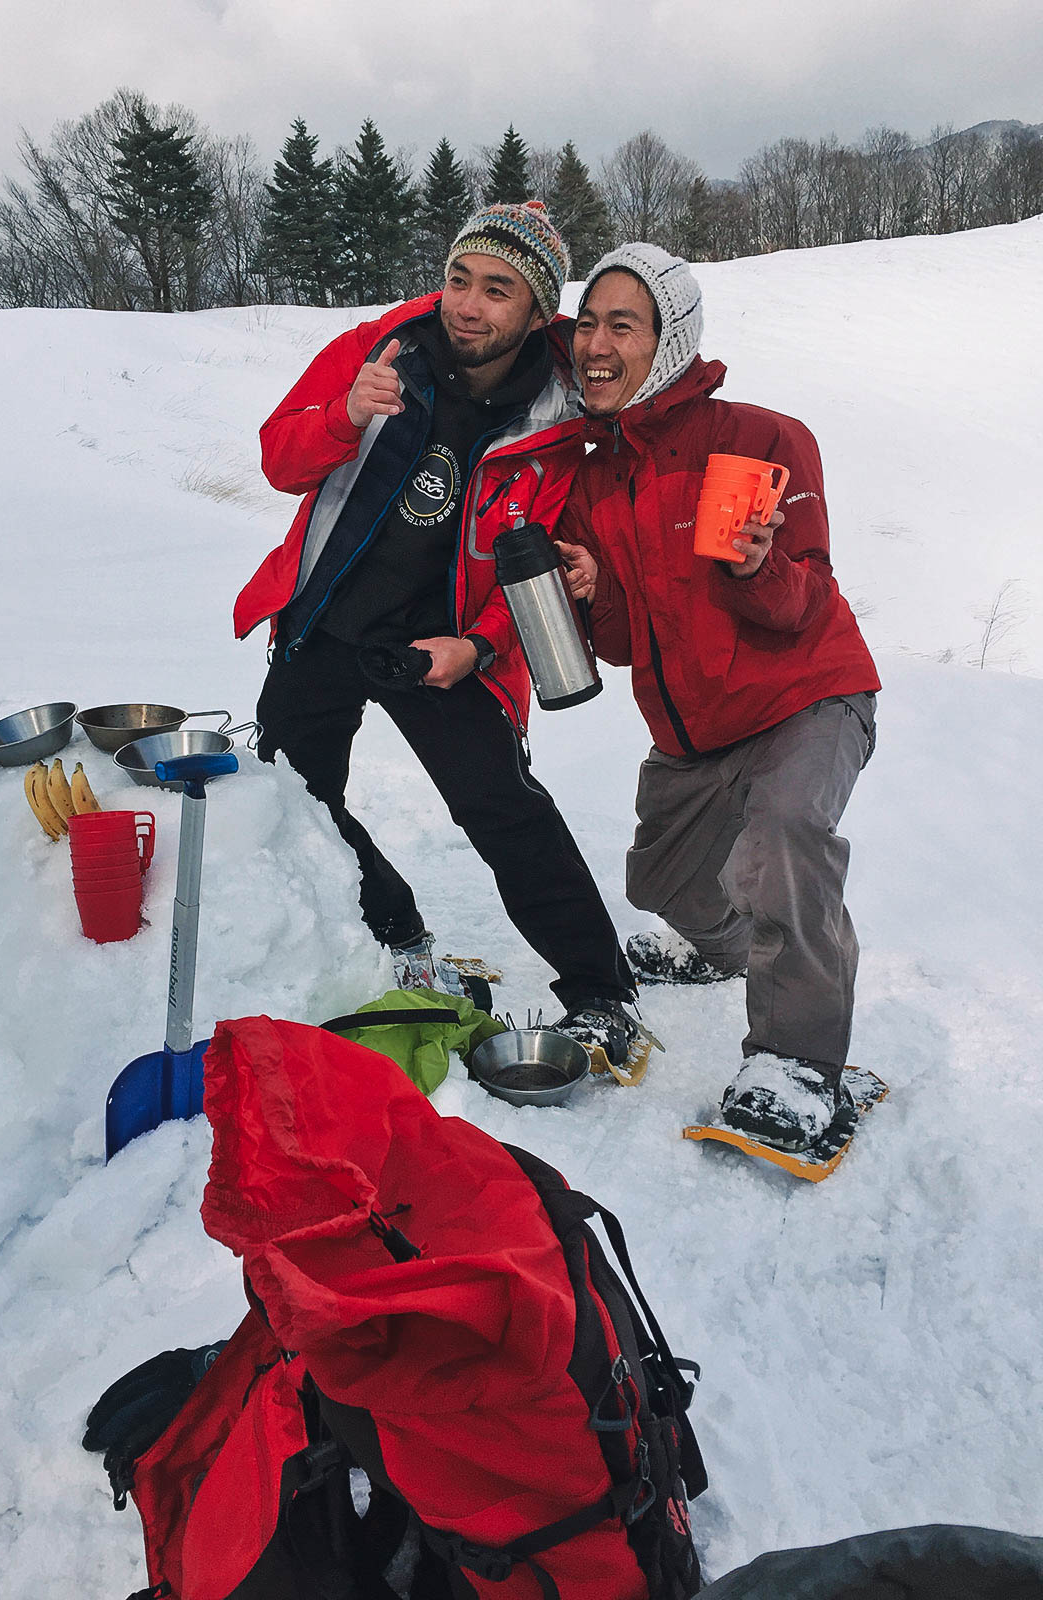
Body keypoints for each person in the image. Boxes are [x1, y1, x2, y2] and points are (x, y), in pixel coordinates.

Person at [232, 202, 640, 1063]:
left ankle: (603, 996)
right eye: (460, 278)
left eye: (498, 290)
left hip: (445, 648)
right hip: (325, 619)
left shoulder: (562, 418)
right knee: (298, 802)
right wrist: (343, 416)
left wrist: (481, 648)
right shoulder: (386, 346)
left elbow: (541, 571)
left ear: (537, 311)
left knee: (505, 814)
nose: (468, 304)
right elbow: (278, 457)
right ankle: (397, 932)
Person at [555, 242, 880, 1148]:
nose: (596, 343)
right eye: (588, 322)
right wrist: (595, 591)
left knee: (784, 840)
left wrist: (759, 564)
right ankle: (758, 953)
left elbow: (803, 601)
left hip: (808, 699)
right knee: (661, 883)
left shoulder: (761, 438)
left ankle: (798, 1063)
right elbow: (621, 644)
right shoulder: (595, 476)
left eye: (624, 323)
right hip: (695, 732)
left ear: (670, 339)